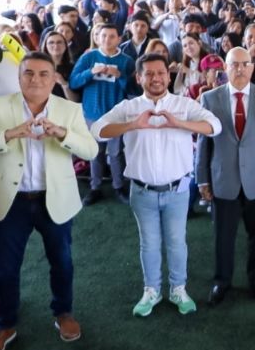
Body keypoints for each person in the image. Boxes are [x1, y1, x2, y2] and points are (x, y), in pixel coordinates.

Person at [0, 52, 98, 350]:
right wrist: (12, 133)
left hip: (55, 199)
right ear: (19, 76)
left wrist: (62, 133)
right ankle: (4, 326)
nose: (35, 79)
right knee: (7, 270)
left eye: (43, 74)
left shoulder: (69, 108)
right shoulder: (1, 106)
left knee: (62, 263)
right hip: (13, 201)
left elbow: (91, 150)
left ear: (53, 78)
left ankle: (63, 312)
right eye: (29, 73)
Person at [91, 54, 222, 318]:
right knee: (149, 243)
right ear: (139, 78)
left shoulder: (183, 105)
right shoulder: (129, 107)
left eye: (160, 72)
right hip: (142, 191)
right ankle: (151, 290)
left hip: (178, 190)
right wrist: (133, 124)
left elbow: (215, 126)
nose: (156, 78)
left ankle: (178, 289)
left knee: (176, 241)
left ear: (169, 75)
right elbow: (97, 129)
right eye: (149, 73)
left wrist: (179, 123)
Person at [196, 47, 255, 305]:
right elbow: (204, 142)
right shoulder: (210, 99)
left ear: (252, 67)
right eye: (234, 64)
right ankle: (221, 282)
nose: (239, 69)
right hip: (223, 179)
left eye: (244, 64)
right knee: (223, 237)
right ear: (225, 67)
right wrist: (203, 178)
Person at [69, 24, 134, 205]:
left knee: (115, 153)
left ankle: (118, 186)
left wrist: (120, 75)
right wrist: (91, 72)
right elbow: (73, 82)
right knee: (95, 153)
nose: (107, 39)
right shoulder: (88, 57)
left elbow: (131, 88)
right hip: (92, 113)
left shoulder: (126, 60)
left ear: (119, 39)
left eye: (112, 36)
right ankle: (95, 187)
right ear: (97, 37)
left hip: (116, 115)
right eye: (103, 36)